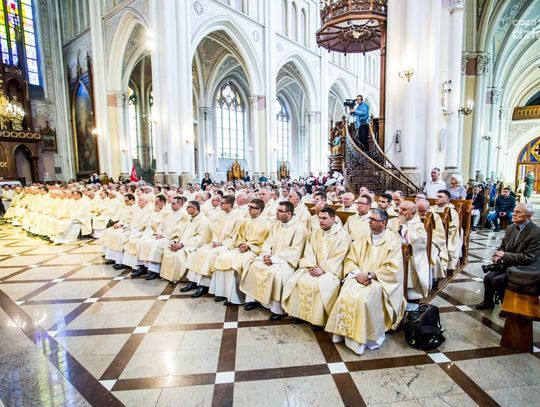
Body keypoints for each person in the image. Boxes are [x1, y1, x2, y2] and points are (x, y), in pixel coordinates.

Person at [325, 209, 406, 355]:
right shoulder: (364, 238)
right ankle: (344, 335)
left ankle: (363, 339)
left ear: (384, 222)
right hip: (359, 276)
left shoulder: (393, 242)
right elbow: (351, 259)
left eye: (373, 220)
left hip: (380, 281)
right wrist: (357, 274)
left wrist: (370, 275)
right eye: (370, 219)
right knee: (345, 295)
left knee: (363, 300)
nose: (370, 222)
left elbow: (393, 269)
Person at [282, 207, 351, 326]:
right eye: (319, 218)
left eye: (324, 218)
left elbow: (339, 257)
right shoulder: (315, 233)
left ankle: (317, 320)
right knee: (298, 280)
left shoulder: (343, 236)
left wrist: (323, 269)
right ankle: (301, 314)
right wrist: (311, 266)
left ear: (333, 219)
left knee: (317, 287)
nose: (321, 221)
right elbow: (309, 251)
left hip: (331, 271)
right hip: (313, 267)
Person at [240, 201, 308, 320]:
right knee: (254, 266)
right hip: (272, 257)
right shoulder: (277, 224)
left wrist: (274, 259)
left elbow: (295, 251)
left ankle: (277, 309)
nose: (276, 213)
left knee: (276, 275)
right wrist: (266, 254)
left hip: (287, 262)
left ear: (288, 213)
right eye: (277, 210)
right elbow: (268, 242)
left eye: (280, 211)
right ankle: (254, 299)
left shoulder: (299, 228)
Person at [476, 203, 540, 310]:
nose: (514, 214)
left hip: (523, 269)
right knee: (488, 278)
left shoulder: (536, 233)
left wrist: (504, 255)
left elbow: (528, 257)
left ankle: (507, 307)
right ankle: (488, 302)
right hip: (507, 264)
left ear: (528, 216)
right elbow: (503, 247)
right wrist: (497, 256)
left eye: (518, 212)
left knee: (498, 281)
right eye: (514, 211)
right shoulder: (510, 228)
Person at [210, 198, 272, 305]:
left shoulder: (266, 223)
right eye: (249, 207)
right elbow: (239, 236)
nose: (249, 209)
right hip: (241, 248)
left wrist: (249, 247)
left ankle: (235, 297)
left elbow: (264, 242)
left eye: (252, 207)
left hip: (254, 251)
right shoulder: (246, 220)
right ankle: (223, 293)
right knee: (222, 258)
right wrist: (241, 244)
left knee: (234, 264)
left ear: (259, 210)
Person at [185, 195, 242, 298]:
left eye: (222, 203)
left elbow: (236, 235)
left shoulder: (238, 217)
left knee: (209, 256)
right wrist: (215, 241)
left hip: (227, 246)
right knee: (199, 252)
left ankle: (204, 285)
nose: (220, 205)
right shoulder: (221, 215)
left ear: (229, 205)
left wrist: (222, 244)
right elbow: (215, 230)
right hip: (216, 243)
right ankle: (193, 281)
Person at [161, 201, 212, 286]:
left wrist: (182, 244)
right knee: (167, 250)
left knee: (179, 255)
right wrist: (175, 241)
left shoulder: (204, 221)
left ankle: (178, 277)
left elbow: (200, 238)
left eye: (188, 207)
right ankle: (168, 276)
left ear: (194, 208)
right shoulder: (188, 218)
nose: (186, 209)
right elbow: (179, 230)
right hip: (180, 243)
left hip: (191, 246)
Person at [398, 201, 430, 299]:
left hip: (410, 257)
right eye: (400, 209)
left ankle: (409, 298)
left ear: (412, 213)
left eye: (404, 210)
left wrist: (402, 226)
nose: (400, 211)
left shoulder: (418, 225)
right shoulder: (394, 221)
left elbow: (416, 242)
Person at [432, 190, 462, 272]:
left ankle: (444, 266)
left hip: (445, 235)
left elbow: (453, 227)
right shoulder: (431, 209)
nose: (437, 198)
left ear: (447, 200)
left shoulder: (452, 211)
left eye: (440, 197)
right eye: (437, 196)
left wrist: (439, 232)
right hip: (433, 234)